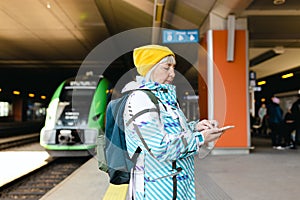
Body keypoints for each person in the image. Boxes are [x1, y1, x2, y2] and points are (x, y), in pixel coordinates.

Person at [122, 45, 227, 199]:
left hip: (176, 185)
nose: (172, 73)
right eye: (167, 67)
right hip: (155, 190)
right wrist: (201, 138)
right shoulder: (140, 101)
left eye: (173, 67)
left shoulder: (166, 99)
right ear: (150, 68)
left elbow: (174, 132)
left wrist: (196, 128)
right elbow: (160, 147)